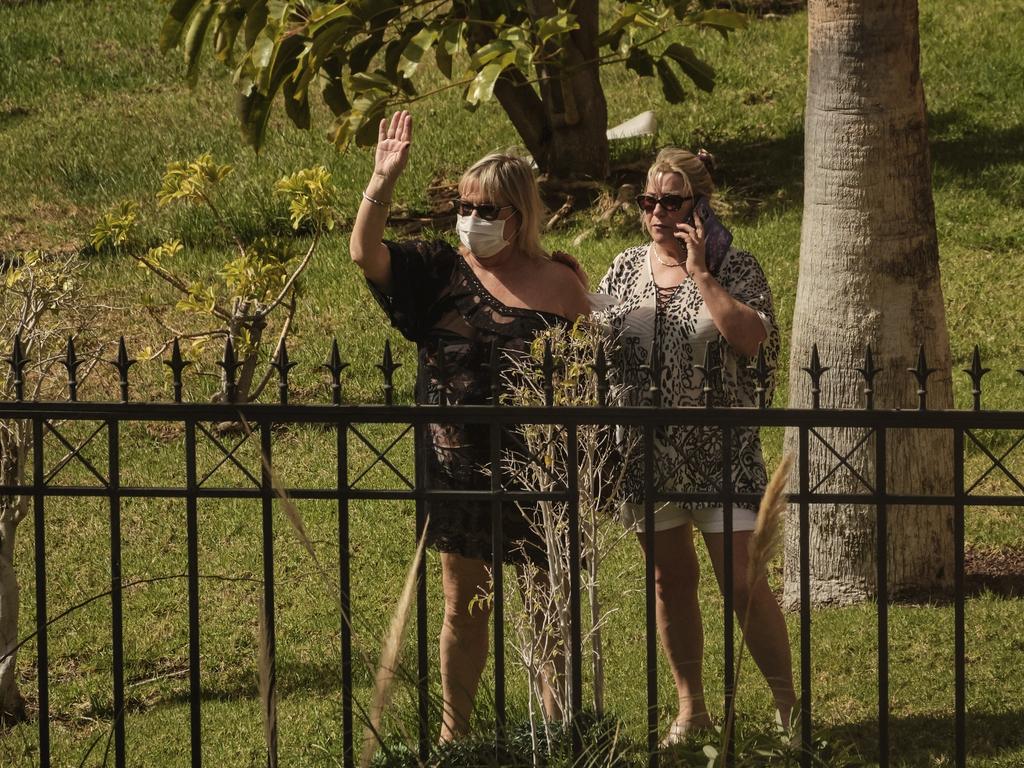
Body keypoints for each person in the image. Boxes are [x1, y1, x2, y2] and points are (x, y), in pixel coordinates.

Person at [349, 111, 591, 740]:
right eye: (464, 205)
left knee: (548, 605)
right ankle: (457, 736)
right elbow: (364, 253)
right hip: (458, 469)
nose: (472, 218)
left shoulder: (561, 283)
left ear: (518, 215)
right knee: (465, 608)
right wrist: (381, 180)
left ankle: (557, 731)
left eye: (486, 209)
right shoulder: (437, 270)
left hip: (539, 465)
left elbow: (593, 368)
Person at [596, 147, 795, 742]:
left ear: (700, 206)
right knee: (668, 581)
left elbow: (752, 340)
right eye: (648, 201)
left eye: (672, 202)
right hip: (644, 452)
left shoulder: (736, 266)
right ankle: (692, 709)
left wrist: (702, 272)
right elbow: (599, 341)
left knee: (741, 581)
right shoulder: (624, 268)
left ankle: (789, 707)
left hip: (721, 452)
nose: (657, 212)